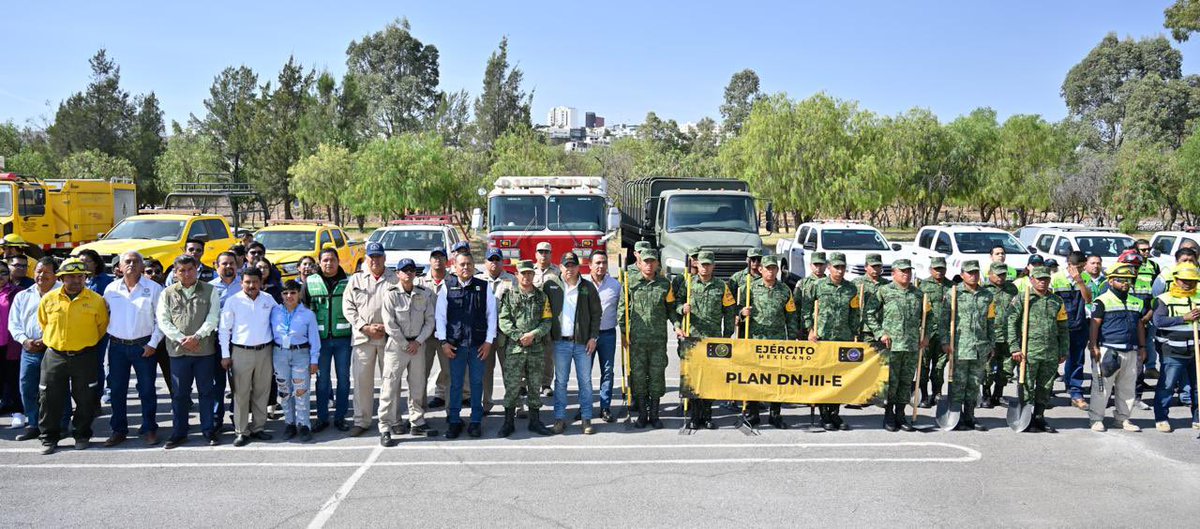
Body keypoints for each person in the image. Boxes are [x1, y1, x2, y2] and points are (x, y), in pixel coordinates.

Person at [36, 257, 109, 454]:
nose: (76, 280)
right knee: (48, 398)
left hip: (84, 355)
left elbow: (101, 327)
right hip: (55, 355)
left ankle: (82, 434)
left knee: (85, 398)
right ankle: (49, 438)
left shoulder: (96, 300)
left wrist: (82, 342)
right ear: (61, 278)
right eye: (70, 277)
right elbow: (43, 323)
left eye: (80, 276)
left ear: (85, 278)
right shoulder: (48, 299)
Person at [158, 254, 222, 448]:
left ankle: (208, 430)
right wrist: (181, 339)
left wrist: (197, 337)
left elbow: (213, 318)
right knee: (180, 394)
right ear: (175, 273)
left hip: (204, 351)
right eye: (182, 270)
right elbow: (163, 320)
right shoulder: (167, 293)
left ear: (197, 269)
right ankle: (179, 432)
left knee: (206, 392)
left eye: (190, 269)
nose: (186, 274)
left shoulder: (210, 290)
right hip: (178, 352)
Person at [102, 252, 165, 447]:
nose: (131, 265)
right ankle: (118, 430)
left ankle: (149, 428)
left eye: (136, 261)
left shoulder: (154, 288)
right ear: (119, 267)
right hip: (117, 347)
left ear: (141, 265)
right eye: (127, 262)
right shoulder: (111, 289)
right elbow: (105, 316)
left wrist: (152, 344)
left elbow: (161, 320)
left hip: (144, 346)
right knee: (117, 390)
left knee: (147, 390)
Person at [436, 251, 497, 439]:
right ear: (454, 266)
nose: (465, 267)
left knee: (477, 383)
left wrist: (488, 341)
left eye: (469, 264)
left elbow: (491, 316)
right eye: (462, 264)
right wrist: (444, 342)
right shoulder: (447, 287)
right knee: (455, 384)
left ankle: (476, 421)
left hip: (478, 345)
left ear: (474, 266)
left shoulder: (484, 287)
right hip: (455, 346)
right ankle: (454, 421)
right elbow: (440, 317)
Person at [379, 258, 438, 446]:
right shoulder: (390, 295)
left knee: (418, 385)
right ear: (397, 274)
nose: (408, 273)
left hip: (418, 346)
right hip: (398, 347)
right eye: (404, 270)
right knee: (389, 387)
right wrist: (405, 344)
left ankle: (417, 421)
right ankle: (385, 426)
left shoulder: (424, 293)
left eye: (411, 270)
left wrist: (418, 341)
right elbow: (389, 323)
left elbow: (430, 321)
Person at [617, 248, 678, 429]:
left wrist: (678, 325)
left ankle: (655, 414)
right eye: (646, 261)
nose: (649, 265)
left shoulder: (665, 284)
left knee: (657, 376)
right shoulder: (630, 283)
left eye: (652, 261)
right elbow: (622, 310)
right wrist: (623, 332)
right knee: (638, 377)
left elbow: (671, 310)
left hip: (658, 341)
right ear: (640, 263)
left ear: (657, 263)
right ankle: (642, 415)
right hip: (637, 340)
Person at [736, 254, 798, 429]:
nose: (770, 271)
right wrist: (742, 314)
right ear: (761, 270)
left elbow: (791, 316)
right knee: (754, 377)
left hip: (777, 341)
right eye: (767, 268)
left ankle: (775, 414)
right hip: (756, 339)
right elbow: (736, 310)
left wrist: (792, 338)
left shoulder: (785, 290)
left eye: (773, 268)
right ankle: (753, 413)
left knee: (776, 378)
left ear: (777, 270)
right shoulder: (750, 288)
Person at [9, 257, 67, 442]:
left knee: (58, 389)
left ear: (55, 275)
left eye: (46, 272)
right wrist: (24, 341)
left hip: (55, 349)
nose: (41, 276)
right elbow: (14, 323)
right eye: (38, 271)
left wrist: (47, 340)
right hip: (29, 350)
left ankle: (62, 425)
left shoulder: (64, 292)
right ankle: (33, 424)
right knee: (27, 387)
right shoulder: (23, 295)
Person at [343, 242, 397, 437]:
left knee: (390, 381)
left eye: (378, 256)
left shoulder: (394, 279)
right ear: (366, 259)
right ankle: (362, 420)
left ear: (384, 258)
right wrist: (364, 327)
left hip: (388, 337)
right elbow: (348, 307)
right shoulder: (356, 279)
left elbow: (401, 306)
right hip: (363, 337)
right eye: (371, 257)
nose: (375, 260)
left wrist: (387, 327)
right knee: (362, 382)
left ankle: (392, 420)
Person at [544, 252, 601, 434]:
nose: (569, 269)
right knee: (560, 383)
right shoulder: (551, 285)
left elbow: (596, 314)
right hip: (560, 343)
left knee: (585, 382)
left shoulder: (588, 287)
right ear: (560, 267)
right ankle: (560, 419)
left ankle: (586, 419)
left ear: (578, 267)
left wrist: (593, 337)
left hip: (583, 343)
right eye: (566, 265)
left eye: (572, 265)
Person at [219, 268, 277, 447]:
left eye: (255, 282)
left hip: (265, 351)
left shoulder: (269, 299)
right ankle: (241, 431)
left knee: (262, 391)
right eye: (247, 282)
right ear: (241, 282)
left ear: (261, 282)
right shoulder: (233, 301)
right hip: (241, 352)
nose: (251, 286)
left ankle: (258, 428)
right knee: (241, 394)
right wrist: (225, 355)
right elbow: (224, 330)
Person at [677, 251, 736, 430]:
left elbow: (729, 310)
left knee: (710, 378)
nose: (705, 267)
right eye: (702, 264)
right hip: (693, 337)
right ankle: (695, 416)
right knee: (694, 378)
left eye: (708, 264)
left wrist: (727, 335)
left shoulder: (721, 286)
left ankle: (708, 415)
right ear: (697, 265)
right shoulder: (688, 284)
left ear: (713, 266)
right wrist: (682, 309)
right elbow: (676, 304)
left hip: (713, 338)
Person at [1008, 266, 1069, 434]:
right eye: (1039, 278)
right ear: (1032, 279)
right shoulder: (1023, 298)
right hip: (1028, 352)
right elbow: (1011, 323)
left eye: (1045, 279)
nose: (1042, 281)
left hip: (1050, 351)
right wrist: (1014, 347)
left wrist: (1064, 350)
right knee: (1027, 385)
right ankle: (1026, 418)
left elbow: (1063, 327)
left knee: (1045, 386)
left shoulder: (1057, 301)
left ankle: (1039, 417)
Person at [497, 260, 554, 437]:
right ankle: (508, 422)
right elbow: (503, 320)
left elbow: (547, 321)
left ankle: (535, 422)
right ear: (517, 275)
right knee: (513, 386)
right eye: (523, 273)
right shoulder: (509, 295)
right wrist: (518, 336)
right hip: (515, 348)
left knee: (534, 386)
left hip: (536, 348)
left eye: (530, 273)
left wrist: (534, 335)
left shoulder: (542, 297)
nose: (527, 276)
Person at [1087, 264, 1146, 432]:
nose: (1126, 283)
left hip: (1131, 350)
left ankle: (1123, 419)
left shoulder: (1137, 302)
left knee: (1127, 387)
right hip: (1108, 350)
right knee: (1102, 387)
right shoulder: (1102, 301)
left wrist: (1142, 347)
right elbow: (1094, 325)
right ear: (1111, 281)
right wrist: (1094, 346)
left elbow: (1140, 325)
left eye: (1129, 280)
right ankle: (1096, 419)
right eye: (1121, 280)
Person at [805, 252, 860, 431]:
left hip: (843, 338)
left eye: (842, 267)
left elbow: (854, 313)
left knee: (839, 377)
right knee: (823, 376)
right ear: (829, 268)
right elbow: (806, 310)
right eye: (836, 267)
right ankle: (824, 414)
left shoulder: (851, 289)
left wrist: (854, 334)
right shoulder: (818, 286)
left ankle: (835, 413)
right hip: (823, 338)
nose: (840, 270)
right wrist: (810, 330)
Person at [874, 259, 928, 432]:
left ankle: (901, 414)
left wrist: (926, 335)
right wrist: (880, 333)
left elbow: (930, 317)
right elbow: (869, 313)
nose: (906, 274)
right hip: (892, 346)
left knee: (906, 382)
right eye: (902, 271)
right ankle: (889, 415)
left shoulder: (919, 294)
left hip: (912, 345)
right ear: (893, 273)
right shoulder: (884, 291)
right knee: (891, 382)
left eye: (908, 271)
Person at [941, 260, 995, 431]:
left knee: (974, 383)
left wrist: (991, 344)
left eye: (976, 273)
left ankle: (970, 416)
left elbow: (991, 322)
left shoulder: (987, 296)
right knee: (958, 383)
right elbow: (943, 321)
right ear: (962, 274)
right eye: (970, 273)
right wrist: (944, 341)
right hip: (959, 346)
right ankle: (956, 416)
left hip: (980, 346)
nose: (973, 276)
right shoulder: (953, 293)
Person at [306, 248, 352, 433]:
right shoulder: (310, 282)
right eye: (325, 260)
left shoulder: (348, 281)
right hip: (320, 341)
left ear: (338, 260)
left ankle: (340, 417)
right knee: (322, 380)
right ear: (319, 262)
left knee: (344, 380)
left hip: (343, 340)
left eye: (332, 259)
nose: (329, 263)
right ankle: (322, 418)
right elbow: (304, 310)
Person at [1151, 262, 1200, 433]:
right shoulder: (1164, 299)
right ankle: (1162, 418)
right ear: (1176, 279)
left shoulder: (1199, 297)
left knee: (1197, 386)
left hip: (1196, 351)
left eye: (1192, 280)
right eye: (1184, 280)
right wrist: (1184, 318)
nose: (1188, 283)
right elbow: (1158, 321)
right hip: (1173, 351)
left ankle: (1197, 418)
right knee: (1168, 385)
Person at [271, 280, 320, 442]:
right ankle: (289, 423)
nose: (289, 296)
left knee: (301, 390)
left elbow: (315, 339)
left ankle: (304, 424)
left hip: (301, 354)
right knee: (284, 391)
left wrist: (314, 360)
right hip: (280, 353)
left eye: (293, 292)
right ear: (281, 295)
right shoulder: (275, 311)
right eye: (285, 293)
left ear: (299, 294)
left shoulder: (308, 314)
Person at [1053, 251, 1095, 410]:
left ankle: (1075, 391)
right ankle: (1046, 390)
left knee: (1077, 359)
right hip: (1059, 326)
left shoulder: (1084, 278)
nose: (1081, 270)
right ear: (1069, 265)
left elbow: (1088, 299)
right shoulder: (1056, 278)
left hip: (1079, 324)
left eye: (1083, 267)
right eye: (1078, 267)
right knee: (1055, 359)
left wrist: (1079, 281)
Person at [475, 248, 515, 415]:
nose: (494, 263)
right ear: (485, 262)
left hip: (505, 333)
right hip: (484, 334)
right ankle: (486, 403)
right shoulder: (476, 280)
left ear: (502, 262)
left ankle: (513, 403)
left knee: (511, 370)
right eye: (490, 259)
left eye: (497, 259)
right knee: (485, 370)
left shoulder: (512, 280)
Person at [585, 251, 621, 423]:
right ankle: (585, 407)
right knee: (585, 373)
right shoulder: (582, 284)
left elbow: (622, 311)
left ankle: (605, 407)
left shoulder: (615, 285)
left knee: (607, 371)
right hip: (587, 336)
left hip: (607, 334)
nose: (601, 266)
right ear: (590, 265)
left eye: (604, 263)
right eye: (597, 263)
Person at [209, 251, 241, 431]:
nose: (228, 267)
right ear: (216, 265)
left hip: (238, 340)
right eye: (224, 264)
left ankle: (238, 417)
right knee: (217, 382)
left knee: (239, 383)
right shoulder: (209, 288)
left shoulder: (245, 285)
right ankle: (216, 419)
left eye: (232, 263)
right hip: (216, 340)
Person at [982, 262, 1020, 408]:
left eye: (1003, 274)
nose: (1001, 277)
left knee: (1006, 367)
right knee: (988, 368)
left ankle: (998, 395)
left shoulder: (1012, 289)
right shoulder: (984, 290)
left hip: (1008, 334)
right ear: (990, 274)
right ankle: (985, 395)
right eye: (998, 274)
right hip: (990, 335)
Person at [917, 257, 953, 408]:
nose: (939, 272)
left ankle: (937, 393)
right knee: (924, 365)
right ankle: (924, 395)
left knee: (939, 367)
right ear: (930, 269)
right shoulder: (923, 286)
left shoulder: (952, 287)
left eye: (942, 269)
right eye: (936, 269)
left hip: (944, 333)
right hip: (927, 332)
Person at [78, 249, 113, 405]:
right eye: (80, 262)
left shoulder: (105, 281)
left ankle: (95, 400)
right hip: (79, 329)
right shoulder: (77, 280)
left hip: (100, 330)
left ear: (96, 263)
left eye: (87, 261)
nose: (83, 264)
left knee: (96, 363)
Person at [420, 248, 451, 410]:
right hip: (425, 335)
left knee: (449, 372)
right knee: (421, 373)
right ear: (430, 261)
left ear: (447, 260)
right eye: (434, 257)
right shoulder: (420, 282)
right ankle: (420, 408)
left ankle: (451, 412)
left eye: (441, 257)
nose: (437, 260)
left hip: (446, 335)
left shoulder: (453, 281)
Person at [532, 241, 559, 398]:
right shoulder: (529, 270)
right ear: (536, 254)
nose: (543, 254)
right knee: (526, 352)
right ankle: (523, 383)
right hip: (530, 318)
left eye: (546, 252)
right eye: (540, 251)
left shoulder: (557, 272)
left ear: (551, 254)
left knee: (548, 353)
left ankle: (546, 383)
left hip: (549, 319)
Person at [0, 262, 20, 426]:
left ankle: (18, 411)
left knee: (12, 379)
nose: (0, 276)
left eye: (4, 272)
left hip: (10, 344)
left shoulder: (16, 293)